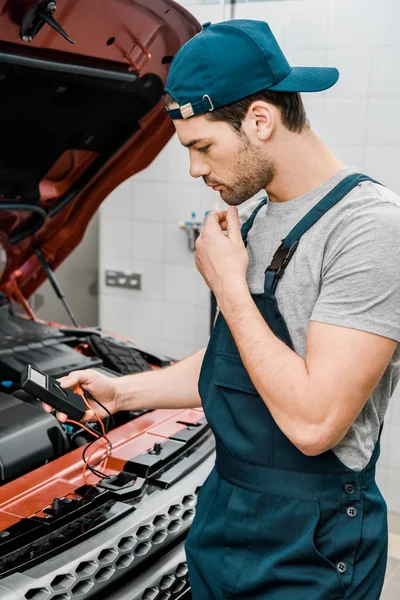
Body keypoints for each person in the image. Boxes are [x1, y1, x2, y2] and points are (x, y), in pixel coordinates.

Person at [43, 19, 400, 600]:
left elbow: (315, 423)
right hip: (224, 516)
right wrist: (123, 392)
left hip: (311, 542)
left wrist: (230, 287)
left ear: (260, 120)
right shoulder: (255, 222)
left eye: (202, 146)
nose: (195, 170)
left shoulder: (370, 230)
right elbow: (233, 363)